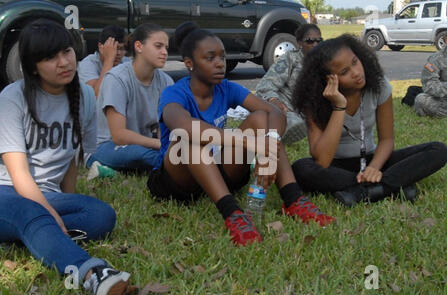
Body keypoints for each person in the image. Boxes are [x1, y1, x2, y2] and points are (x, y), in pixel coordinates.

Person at [147, 22, 335, 247]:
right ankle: (233, 214)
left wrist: (269, 147)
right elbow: (185, 127)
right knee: (190, 140)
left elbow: (274, 111)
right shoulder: (174, 93)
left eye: (222, 57)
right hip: (178, 180)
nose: (219, 64)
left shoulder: (226, 88)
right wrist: (251, 143)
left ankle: (293, 199)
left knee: (261, 120)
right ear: (190, 64)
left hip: (217, 170)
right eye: (210, 58)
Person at [0, 19, 130, 295]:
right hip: (6, 192)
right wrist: (49, 213)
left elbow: (70, 159)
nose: (64, 62)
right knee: (30, 212)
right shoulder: (12, 98)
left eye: (66, 52)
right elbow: (19, 174)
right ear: (33, 66)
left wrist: (63, 201)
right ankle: (92, 273)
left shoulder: (83, 95)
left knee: (101, 215)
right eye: (50, 57)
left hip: (47, 195)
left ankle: (36, 235)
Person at [291, 34, 447, 207]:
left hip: (374, 160)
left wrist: (374, 167)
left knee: (438, 150)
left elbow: (387, 140)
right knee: (301, 168)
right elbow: (322, 161)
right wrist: (339, 106)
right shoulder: (313, 101)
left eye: (355, 62)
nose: (356, 73)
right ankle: (392, 187)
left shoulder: (379, 86)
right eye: (344, 72)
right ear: (327, 80)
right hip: (336, 166)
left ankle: (364, 191)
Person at [86, 23, 174, 177]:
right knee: (143, 155)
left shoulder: (166, 81)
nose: (164, 52)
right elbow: (119, 135)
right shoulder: (117, 78)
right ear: (139, 46)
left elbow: (164, 127)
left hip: (143, 143)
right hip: (105, 146)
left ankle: (113, 171)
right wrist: (160, 145)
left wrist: (167, 144)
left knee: (171, 151)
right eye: (158, 46)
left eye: (166, 47)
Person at [256, 24, 322, 144]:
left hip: (310, 111)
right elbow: (265, 85)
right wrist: (273, 100)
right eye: (310, 41)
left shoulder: (325, 61)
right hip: (287, 107)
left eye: (319, 41)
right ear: (299, 43)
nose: (315, 45)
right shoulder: (291, 58)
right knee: (292, 123)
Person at [78, 25, 131, 97]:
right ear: (101, 47)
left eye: (121, 49)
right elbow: (96, 96)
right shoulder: (87, 64)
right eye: (114, 48)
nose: (118, 53)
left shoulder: (126, 62)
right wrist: (109, 60)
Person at [413, 35, 447, 117]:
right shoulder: (435, 59)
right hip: (444, 99)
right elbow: (429, 84)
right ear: (446, 40)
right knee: (421, 100)